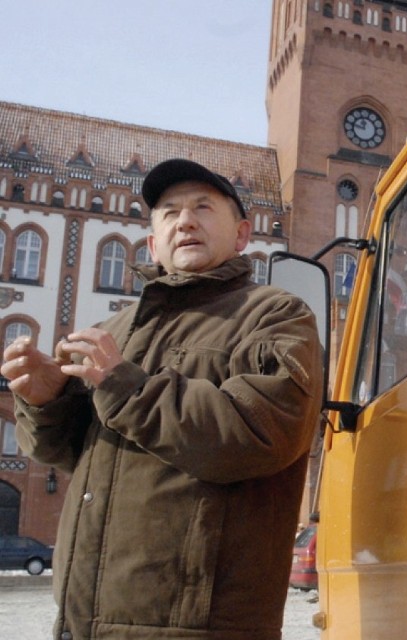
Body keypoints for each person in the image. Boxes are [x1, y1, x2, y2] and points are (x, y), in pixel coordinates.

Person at [1, 158, 324, 640]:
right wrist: (47, 404)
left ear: (241, 235)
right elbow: (69, 455)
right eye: (169, 212)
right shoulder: (117, 330)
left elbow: (260, 433)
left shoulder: (274, 315)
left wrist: (121, 384)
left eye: (202, 207)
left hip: (196, 629)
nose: (185, 220)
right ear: (154, 243)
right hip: (82, 625)